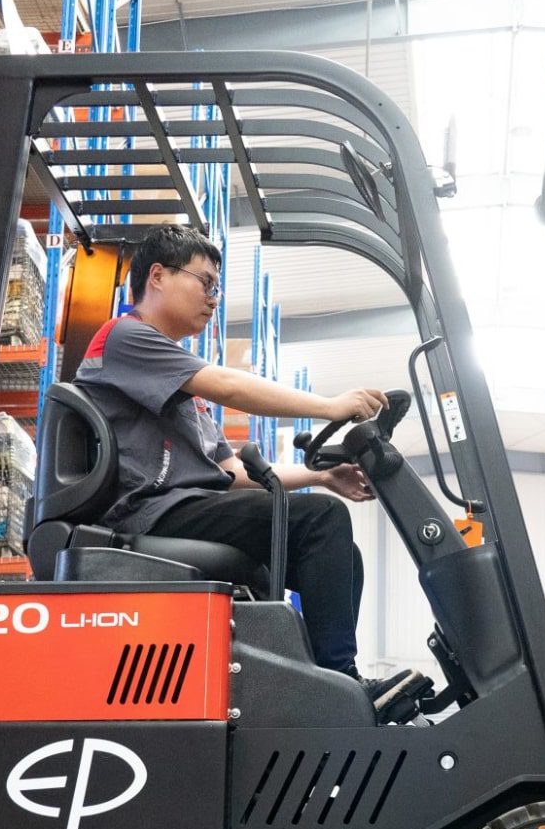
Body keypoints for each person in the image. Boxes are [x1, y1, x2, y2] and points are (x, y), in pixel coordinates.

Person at [75, 223, 420, 712]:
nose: (213, 298)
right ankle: (336, 684)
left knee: (339, 551)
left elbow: (235, 472)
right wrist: (330, 406)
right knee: (321, 520)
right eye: (206, 282)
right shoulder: (126, 337)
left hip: (185, 506)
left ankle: (316, 681)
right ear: (157, 275)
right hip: (147, 511)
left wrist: (322, 476)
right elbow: (232, 388)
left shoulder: (177, 386)